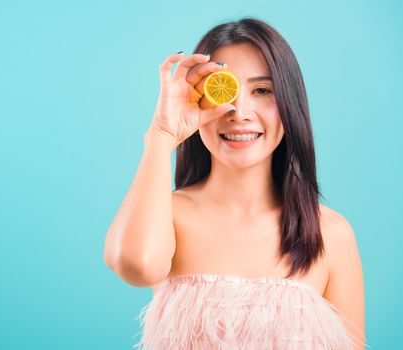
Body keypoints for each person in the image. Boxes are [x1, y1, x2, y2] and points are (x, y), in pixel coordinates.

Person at [103, 17, 367, 349]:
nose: (239, 111)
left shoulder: (331, 233)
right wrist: (161, 135)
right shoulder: (167, 215)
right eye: (224, 88)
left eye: (262, 90)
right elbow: (136, 266)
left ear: (289, 103)